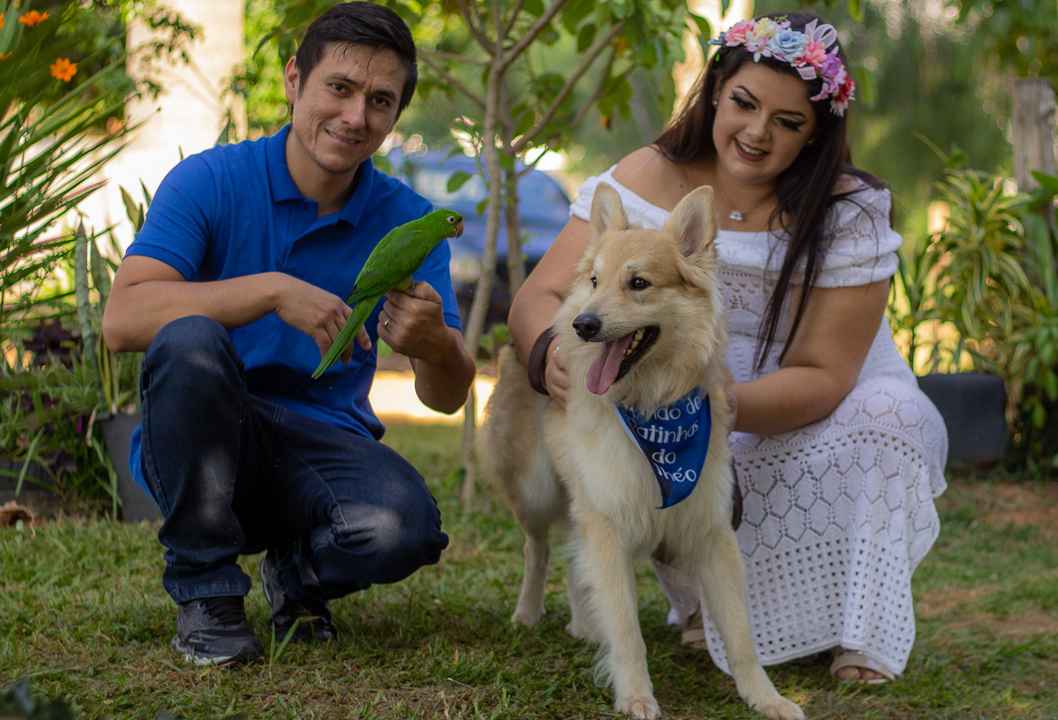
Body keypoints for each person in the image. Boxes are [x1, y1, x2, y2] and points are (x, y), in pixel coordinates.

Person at [508, 11, 948, 684]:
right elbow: (539, 297)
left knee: (892, 417)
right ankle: (703, 609)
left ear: (816, 130)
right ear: (716, 89)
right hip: (672, 382)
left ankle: (853, 630)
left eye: (788, 121)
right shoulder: (645, 175)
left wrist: (715, 405)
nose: (757, 132)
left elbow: (825, 372)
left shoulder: (849, 211)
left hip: (808, 400)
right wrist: (549, 358)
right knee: (658, 433)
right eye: (744, 103)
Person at [102, 1, 475, 666]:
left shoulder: (411, 222)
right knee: (190, 341)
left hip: (322, 448)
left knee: (406, 527)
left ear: (395, 114)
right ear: (294, 78)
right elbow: (121, 320)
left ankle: (295, 577)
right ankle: (207, 595)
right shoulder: (211, 181)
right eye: (340, 87)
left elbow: (445, 398)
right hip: (206, 438)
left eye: (380, 101)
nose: (356, 117)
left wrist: (435, 345)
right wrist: (271, 290)